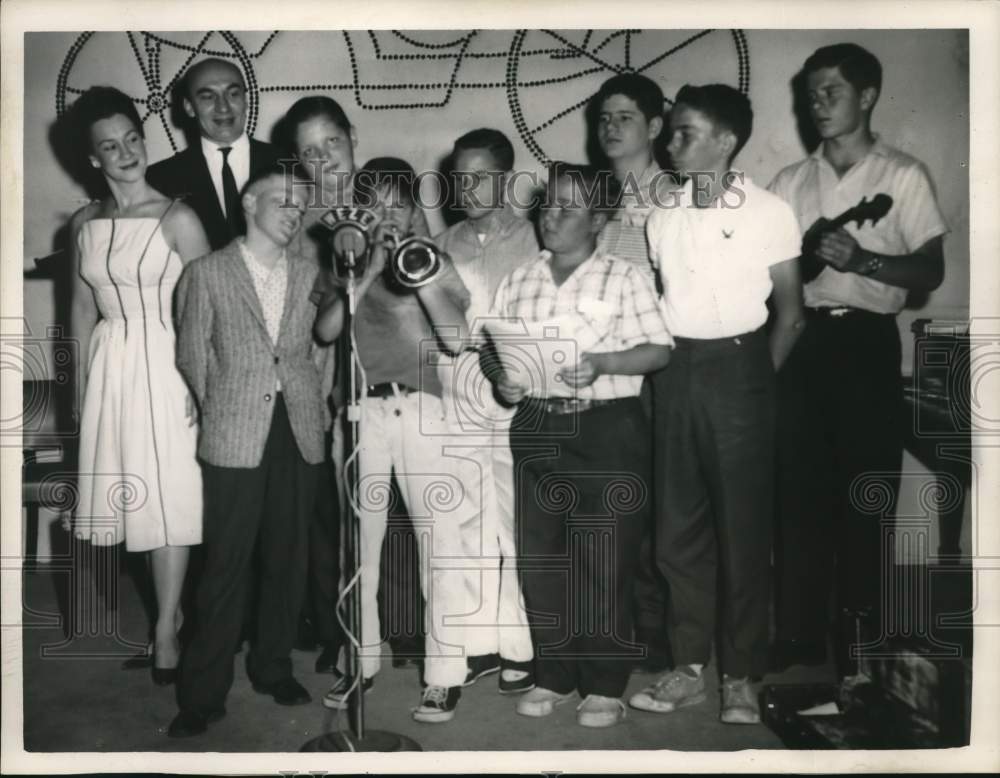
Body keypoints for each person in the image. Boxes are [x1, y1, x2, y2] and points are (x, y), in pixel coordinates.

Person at [768, 43, 947, 674]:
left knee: (867, 492)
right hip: (802, 338)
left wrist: (864, 261)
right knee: (797, 493)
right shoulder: (789, 182)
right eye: (811, 94)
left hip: (867, 342)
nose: (817, 105)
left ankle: (864, 638)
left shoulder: (903, 175)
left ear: (867, 96)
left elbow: (930, 268)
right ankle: (798, 636)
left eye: (831, 92)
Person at [629, 84, 805, 725]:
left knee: (743, 530)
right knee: (677, 532)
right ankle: (688, 668)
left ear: (726, 140)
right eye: (671, 132)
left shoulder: (768, 211)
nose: (671, 143)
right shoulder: (662, 217)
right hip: (676, 370)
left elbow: (791, 317)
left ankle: (741, 675)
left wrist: (753, 382)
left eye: (685, 132)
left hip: (742, 371)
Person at [492, 162, 673, 728]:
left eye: (568, 209)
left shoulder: (623, 277)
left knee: (603, 557)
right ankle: (555, 675)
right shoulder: (521, 278)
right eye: (549, 205)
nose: (552, 216)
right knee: (543, 557)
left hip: (606, 426)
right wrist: (504, 376)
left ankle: (603, 684)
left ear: (599, 219)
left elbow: (659, 349)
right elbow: (497, 348)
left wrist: (604, 363)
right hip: (537, 425)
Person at [313, 156, 480, 724]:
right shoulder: (347, 265)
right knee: (359, 548)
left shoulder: (437, 260)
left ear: (414, 207)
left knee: (440, 544)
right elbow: (326, 330)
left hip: (424, 410)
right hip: (362, 412)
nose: (388, 213)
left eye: (397, 202)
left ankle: (443, 675)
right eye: (375, 203)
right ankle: (359, 659)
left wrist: (419, 272)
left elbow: (456, 339)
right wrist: (366, 265)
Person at [167, 168, 328, 738]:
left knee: (289, 559)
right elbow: (192, 355)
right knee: (225, 568)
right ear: (248, 202)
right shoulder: (205, 273)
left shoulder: (313, 273)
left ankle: (273, 667)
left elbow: (318, 353)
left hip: (300, 429)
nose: (294, 212)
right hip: (236, 434)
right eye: (283, 201)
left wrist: (310, 403)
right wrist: (229, 410)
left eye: (301, 206)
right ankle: (202, 693)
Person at [68, 86, 209, 684]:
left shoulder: (177, 217)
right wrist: (78, 392)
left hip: (169, 360)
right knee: (135, 499)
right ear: (93, 160)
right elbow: (78, 312)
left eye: (132, 138)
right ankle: (168, 620)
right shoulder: (84, 222)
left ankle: (165, 632)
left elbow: (209, 308)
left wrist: (202, 387)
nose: (126, 152)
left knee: (170, 499)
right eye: (110, 145)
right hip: (111, 366)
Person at [284, 97, 430, 672]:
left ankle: (402, 624)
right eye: (310, 152)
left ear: (352, 137)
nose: (325, 160)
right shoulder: (303, 226)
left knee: (401, 507)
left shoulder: (390, 201)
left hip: (396, 380)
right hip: (327, 382)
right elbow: (307, 320)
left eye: (333, 144)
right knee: (343, 516)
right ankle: (343, 629)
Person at [434, 128, 537, 694]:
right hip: (458, 390)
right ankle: (478, 644)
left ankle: (520, 644)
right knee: (468, 520)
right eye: (459, 177)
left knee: (514, 520)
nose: (467, 188)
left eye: (480, 177)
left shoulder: (530, 240)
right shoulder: (442, 242)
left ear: (505, 179)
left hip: (517, 389)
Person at [589, 71, 675, 674]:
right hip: (600, 373)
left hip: (651, 370)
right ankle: (612, 625)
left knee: (649, 507)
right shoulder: (599, 198)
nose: (611, 128)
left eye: (624, 117)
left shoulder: (670, 197)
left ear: (654, 125)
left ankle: (654, 629)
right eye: (604, 118)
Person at [147, 57, 281, 250]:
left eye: (233, 94)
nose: (223, 107)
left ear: (245, 100)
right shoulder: (159, 180)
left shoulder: (287, 164)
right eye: (208, 97)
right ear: (189, 107)